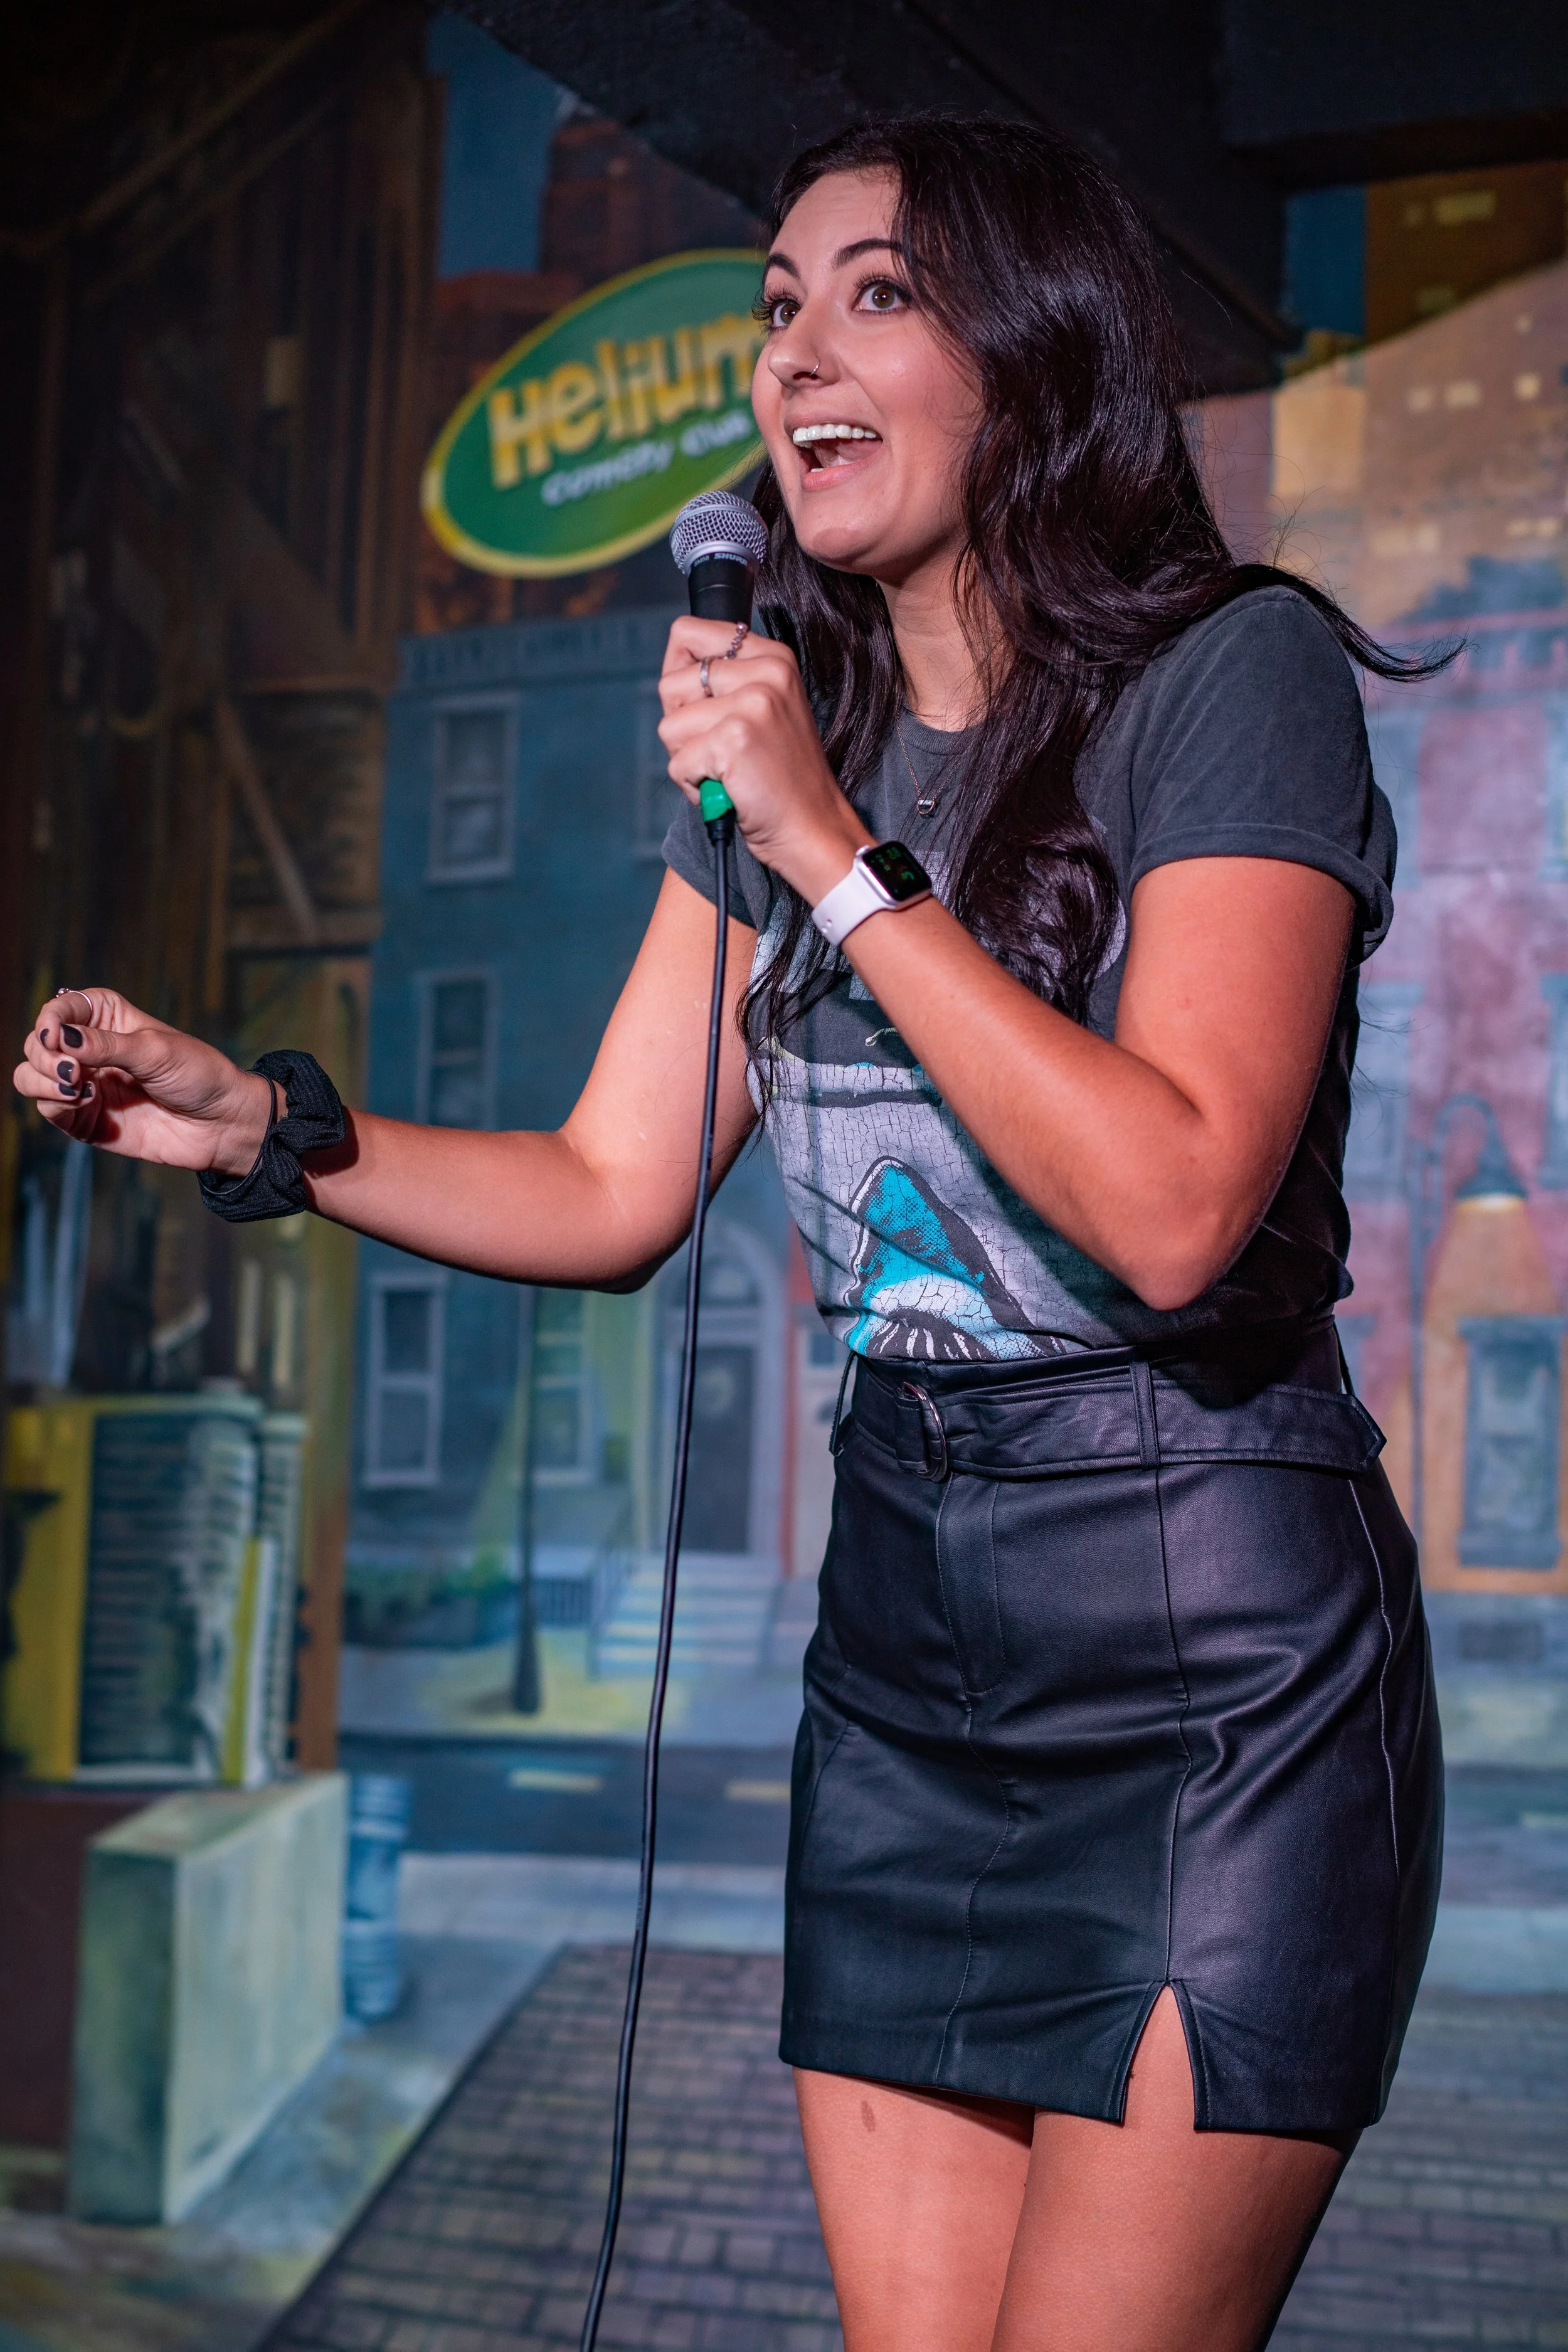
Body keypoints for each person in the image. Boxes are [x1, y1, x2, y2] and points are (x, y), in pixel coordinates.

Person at [16, 115, 1442, 2352]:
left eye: (876, 292)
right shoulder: (802, 744)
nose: (797, 352)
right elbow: (606, 1190)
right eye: (775, 305)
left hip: (1209, 1668)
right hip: (906, 1661)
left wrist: (843, 859)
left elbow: (1174, 1207)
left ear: (1037, 350)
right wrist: (250, 1129)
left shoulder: (1216, 680)